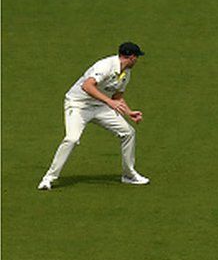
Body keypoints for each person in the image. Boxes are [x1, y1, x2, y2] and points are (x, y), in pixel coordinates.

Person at [38, 42, 149, 190]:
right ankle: (48, 178)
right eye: (137, 57)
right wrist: (109, 101)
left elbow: (117, 97)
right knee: (72, 138)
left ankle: (128, 175)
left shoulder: (126, 73)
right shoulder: (105, 66)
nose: (137, 61)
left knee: (128, 133)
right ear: (132, 57)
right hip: (78, 105)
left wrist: (129, 113)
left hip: (100, 106)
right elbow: (87, 86)